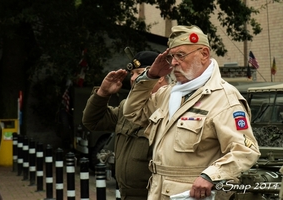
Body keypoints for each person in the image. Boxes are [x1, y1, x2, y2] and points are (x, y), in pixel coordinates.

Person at [122, 25, 261, 199]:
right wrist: (150, 76)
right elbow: (132, 112)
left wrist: (210, 175)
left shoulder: (224, 98)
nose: (173, 62)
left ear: (204, 54)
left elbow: (245, 150)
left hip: (193, 194)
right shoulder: (169, 94)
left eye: (180, 55)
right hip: (159, 190)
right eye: (171, 57)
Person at [82, 51, 171, 200]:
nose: (133, 78)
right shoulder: (126, 108)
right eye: (132, 74)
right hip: (126, 194)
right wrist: (103, 93)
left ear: (160, 76)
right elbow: (92, 121)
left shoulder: (170, 107)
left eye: (140, 73)